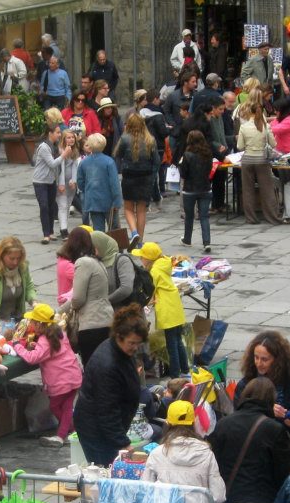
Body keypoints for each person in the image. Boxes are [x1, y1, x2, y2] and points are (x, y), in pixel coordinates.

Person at [73, 304, 148, 466]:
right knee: (106, 472)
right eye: (132, 343)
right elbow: (107, 411)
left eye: (138, 344)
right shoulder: (107, 365)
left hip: (107, 426)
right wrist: (123, 443)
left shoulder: (120, 350)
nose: (135, 348)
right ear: (119, 336)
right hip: (96, 431)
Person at [13, 303, 83, 447]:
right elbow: (51, 351)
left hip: (61, 380)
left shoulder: (45, 340)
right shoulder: (59, 333)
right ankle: (72, 431)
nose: (30, 323)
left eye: (32, 321)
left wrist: (17, 346)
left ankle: (62, 435)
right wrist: (36, 345)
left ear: (39, 324)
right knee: (67, 407)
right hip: (73, 374)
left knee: (56, 406)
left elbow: (33, 358)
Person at [142, 400, 226, 503]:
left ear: (168, 423)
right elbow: (218, 496)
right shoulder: (206, 453)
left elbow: (145, 490)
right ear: (193, 422)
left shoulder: (157, 453)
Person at [234, 330, 290, 441]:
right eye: (256, 357)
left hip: (286, 440)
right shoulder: (246, 384)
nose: (259, 363)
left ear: (277, 360)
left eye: (264, 359)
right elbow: (239, 418)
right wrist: (269, 410)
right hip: (257, 442)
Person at [58, 229, 114, 365]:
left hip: (91, 324)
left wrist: (60, 313)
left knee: (92, 368)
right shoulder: (98, 262)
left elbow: (78, 298)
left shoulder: (83, 263)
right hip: (106, 320)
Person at [133, 242, 189, 377]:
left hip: (166, 310)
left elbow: (151, 290)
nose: (140, 259)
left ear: (148, 259)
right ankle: (185, 370)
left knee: (171, 345)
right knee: (178, 340)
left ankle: (175, 375)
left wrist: (146, 303)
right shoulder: (164, 263)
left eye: (142, 257)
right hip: (175, 308)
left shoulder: (154, 271)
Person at [114, 114, 159, 245]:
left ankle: (133, 233)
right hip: (145, 177)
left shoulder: (125, 138)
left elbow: (117, 154)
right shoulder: (150, 139)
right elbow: (156, 161)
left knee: (128, 208)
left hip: (129, 176)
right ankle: (140, 241)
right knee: (141, 210)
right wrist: (152, 175)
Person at [237, 101, 282, 225]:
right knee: (267, 189)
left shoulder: (244, 127)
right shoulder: (265, 126)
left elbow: (240, 146)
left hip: (247, 159)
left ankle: (251, 218)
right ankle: (272, 217)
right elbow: (273, 144)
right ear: (262, 112)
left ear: (249, 112)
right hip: (262, 159)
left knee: (248, 190)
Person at [76, 133, 122, 231]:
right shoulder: (109, 162)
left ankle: (99, 246)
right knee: (114, 229)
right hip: (109, 201)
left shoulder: (84, 162)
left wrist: (88, 190)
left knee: (98, 230)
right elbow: (114, 184)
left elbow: (80, 182)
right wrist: (117, 201)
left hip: (93, 201)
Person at [32, 123, 69, 244]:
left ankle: (51, 232)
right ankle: (46, 234)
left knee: (51, 206)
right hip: (40, 181)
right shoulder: (44, 147)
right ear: (50, 133)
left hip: (51, 180)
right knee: (44, 206)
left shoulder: (55, 145)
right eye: (57, 132)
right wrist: (64, 155)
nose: (60, 135)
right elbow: (52, 163)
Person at [179, 130, 214, 252]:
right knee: (204, 216)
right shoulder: (208, 153)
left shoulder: (187, 155)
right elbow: (209, 170)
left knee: (189, 216)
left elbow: (184, 174)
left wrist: (180, 166)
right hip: (205, 188)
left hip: (190, 189)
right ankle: (206, 242)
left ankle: (187, 239)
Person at [56, 130, 82, 239]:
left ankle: (64, 226)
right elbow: (60, 168)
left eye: (72, 137)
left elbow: (75, 166)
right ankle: (63, 230)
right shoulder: (61, 150)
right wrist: (61, 183)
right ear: (63, 139)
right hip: (61, 182)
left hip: (70, 183)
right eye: (68, 137)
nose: (71, 139)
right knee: (62, 205)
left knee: (67, 205)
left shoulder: (75, 150)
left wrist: (74, 180)